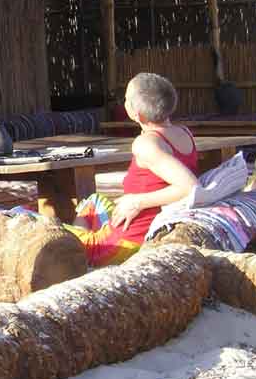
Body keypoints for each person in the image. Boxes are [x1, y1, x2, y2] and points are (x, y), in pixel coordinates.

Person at [67, 73, 199, 267]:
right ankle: (83, 249)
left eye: (126, 100)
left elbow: (190, 187)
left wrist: (138, 202)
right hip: (137, 228)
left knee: (31, 219)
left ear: (137, 115)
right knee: (93, 202)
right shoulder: (183, 132)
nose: (123, 103)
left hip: (125, 244)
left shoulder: (147, 144)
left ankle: (83, 257)